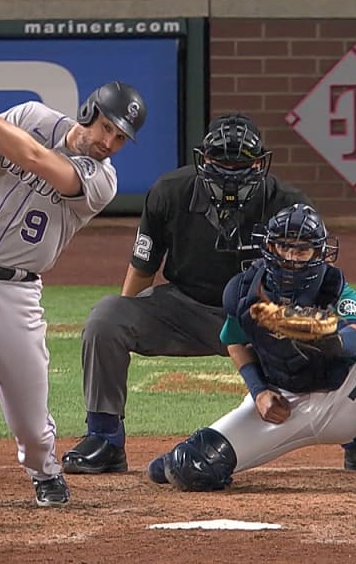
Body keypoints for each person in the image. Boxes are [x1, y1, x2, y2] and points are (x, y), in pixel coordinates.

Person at [0, 81, 147, 526]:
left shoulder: (103, 180)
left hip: (14, 293)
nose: (108, 143)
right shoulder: (29, 117)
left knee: (29, 414)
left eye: (120, 138)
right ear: (88, 110)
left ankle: (44, 470)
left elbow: (39, 160)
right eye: (106, 128)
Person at [61, 113, 313, 475]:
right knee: (107, 317)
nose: (230, 171)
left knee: (320, 332)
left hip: (260, 314)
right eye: (222, 161)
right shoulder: (170, 191)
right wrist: (122, 319)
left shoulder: (287, 204)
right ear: (205, 160)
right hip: (184, 307)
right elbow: (143, 269)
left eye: (239, 162)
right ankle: (105, 438)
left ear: (259, 164)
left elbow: (309, 284)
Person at [145, 203, 356, 493]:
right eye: (285, 247)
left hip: (342, 399)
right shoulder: (244, 291)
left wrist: (328, 338)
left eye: (302, 249)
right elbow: (234, 341)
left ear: (319, 253)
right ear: (270, 247)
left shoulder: (335, 288)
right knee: (189, 467)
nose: (293, 257)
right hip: (282, 406)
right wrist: (259, 392)